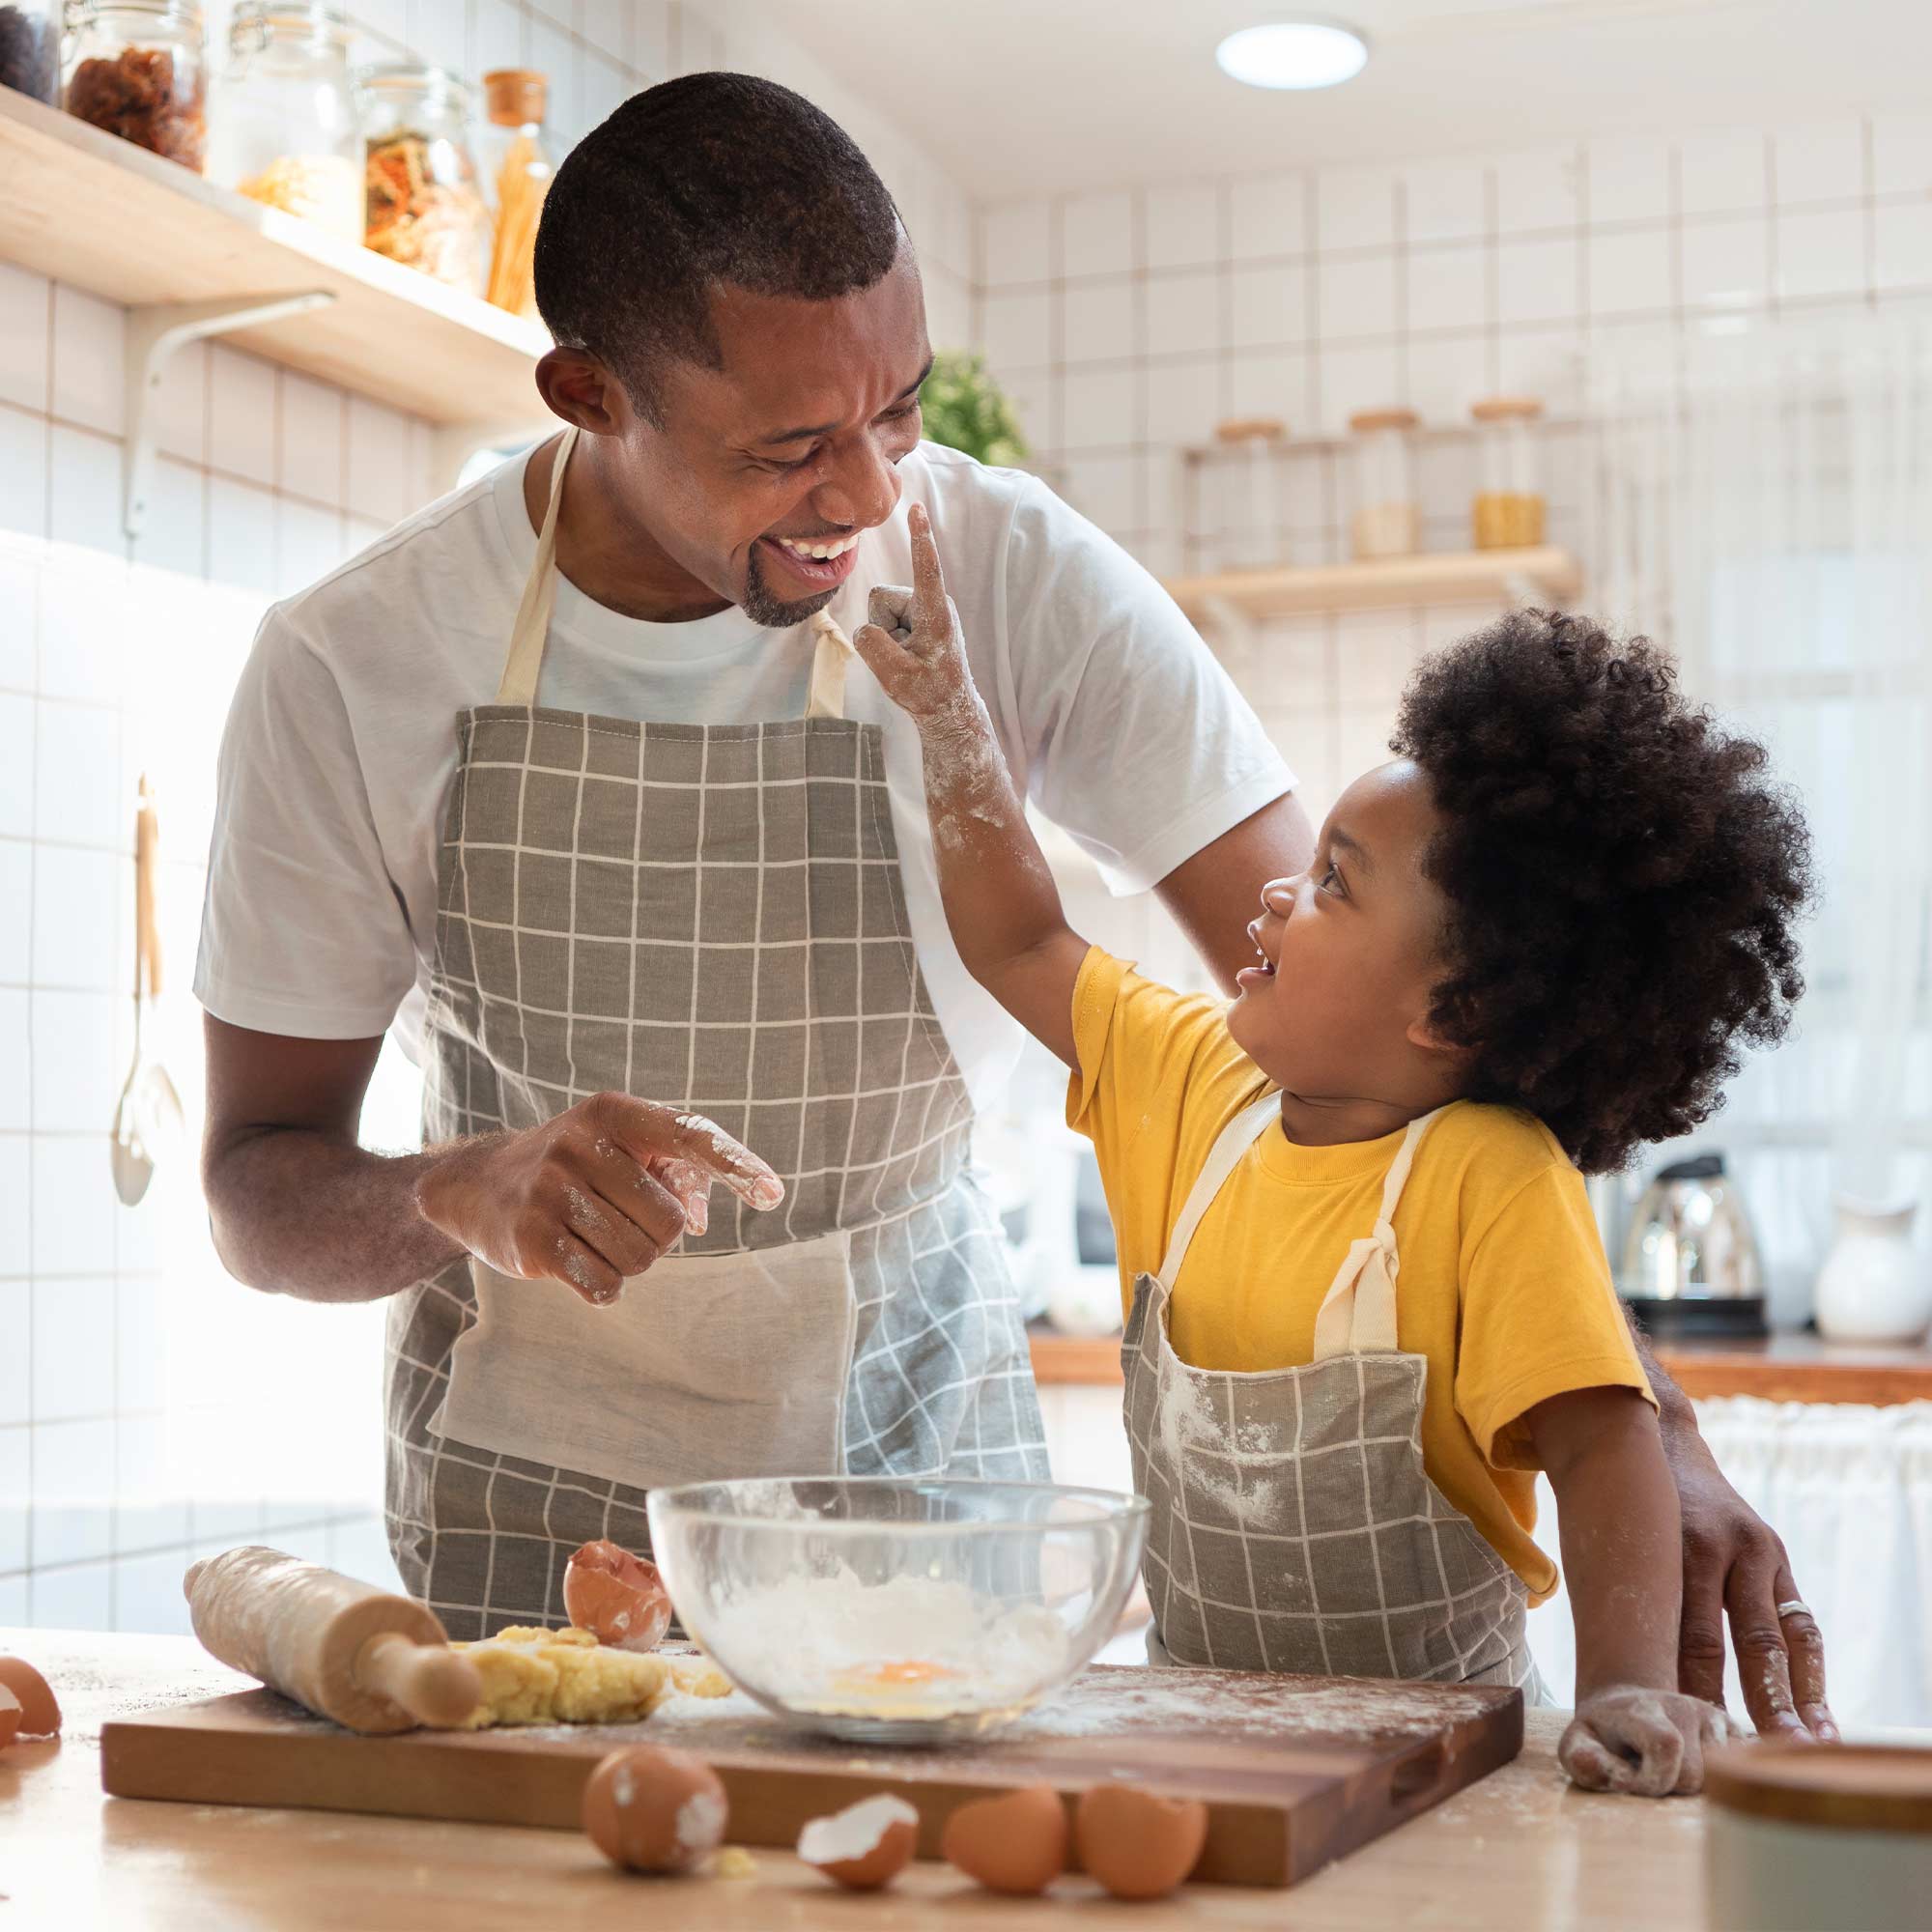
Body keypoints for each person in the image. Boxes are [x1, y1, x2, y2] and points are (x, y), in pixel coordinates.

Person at [195, 69, 1835, 1726]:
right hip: (525, 1535)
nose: (868, 497)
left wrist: (1650, 1430)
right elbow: (256, 1192)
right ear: (588, 392)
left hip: (934, 1523)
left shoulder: (1013, 576)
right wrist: (456, 1189)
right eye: (790, 448)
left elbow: (1423, 1048)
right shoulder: (355, 662)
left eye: (896, 413)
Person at [850, 510, 1823, 1788]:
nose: (1273, 895)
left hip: (1443, 1770)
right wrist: (952, 725)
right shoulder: (1192, 1083)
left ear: (1451, 1014)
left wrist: (1625, 1689)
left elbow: (1603, 1442)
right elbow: (1023, 944)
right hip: (1209, 1742)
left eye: (1332, 885)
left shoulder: (1489, 1178)